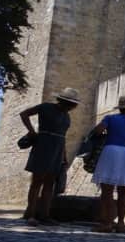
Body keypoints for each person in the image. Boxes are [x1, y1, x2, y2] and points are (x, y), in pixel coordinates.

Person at [19, 88, 80, 227]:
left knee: (50, 183)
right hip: (43, 145)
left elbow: (62, 137)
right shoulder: (45, 107)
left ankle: (45, 215)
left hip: (57, 149)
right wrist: (32, 131)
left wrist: (64, 155)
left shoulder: (67, 116)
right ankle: (31, 214)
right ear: (63, 101)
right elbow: (24, 114)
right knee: (37, 181)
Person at [90, 95, 125, 233]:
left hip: (111, 151)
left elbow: (97, 130)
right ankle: (121, 222)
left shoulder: (110, 118)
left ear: (120, 108)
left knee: (107, 190)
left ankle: (106, 222)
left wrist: (107, 133)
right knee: (124, 189)